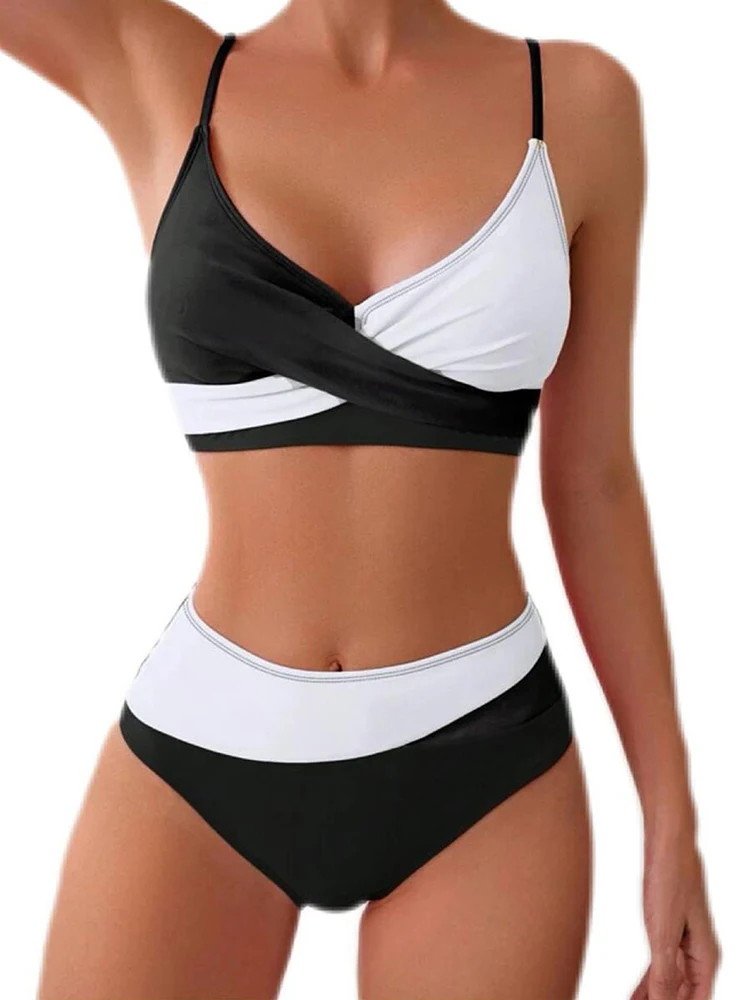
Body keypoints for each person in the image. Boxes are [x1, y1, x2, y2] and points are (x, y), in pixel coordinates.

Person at [0, 2, 720, 998]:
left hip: (483, 763)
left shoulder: (579, 104)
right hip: (204, 750)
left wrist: (672, 820)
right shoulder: (157, 62)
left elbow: (594, 482)